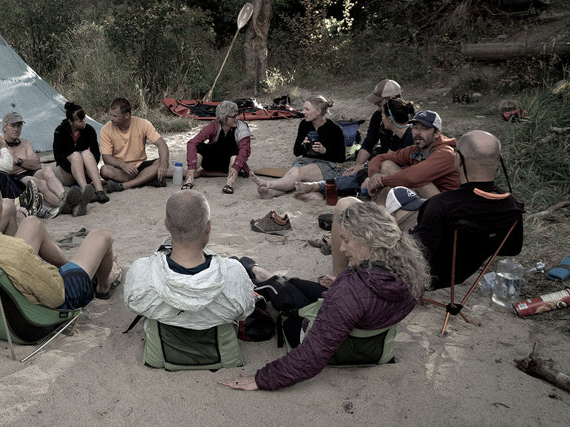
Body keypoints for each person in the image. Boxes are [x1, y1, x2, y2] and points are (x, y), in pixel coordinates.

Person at [220, 201, 429, 391]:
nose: (341, 248)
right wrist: (342, 283)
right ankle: (257, 270)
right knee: (297, 283)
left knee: (280, 294)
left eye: (346, 240)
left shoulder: (350, 293)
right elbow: (369, 302)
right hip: (371, 339)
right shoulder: (407, 272)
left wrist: (261, 379)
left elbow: (312, 355)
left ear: (368, 239)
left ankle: (254, 271)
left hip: (341, 345)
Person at [0, 175, 124, 310]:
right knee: (102, 236)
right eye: (1, 205)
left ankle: (72, 265)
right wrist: (45, 268)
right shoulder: (15, 251)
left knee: (32, 223)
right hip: (38, 313)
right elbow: (56, 296)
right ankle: (103, 285)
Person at [124, 191, 255, 330]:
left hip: (161, 350)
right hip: (218, 349)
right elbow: (245, 312)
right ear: (208, 227)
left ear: (166, 225)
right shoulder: (234, 273)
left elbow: (134, 306)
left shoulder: (142, 271)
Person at [412, 130, 524, 289]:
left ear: (458, 159)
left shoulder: (440, 205)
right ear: (499, 161)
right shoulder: (512, 206)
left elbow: (417, 255)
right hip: (460, 274)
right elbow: (511, 249)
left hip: (424, 278)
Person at [300, 95, 416, 200]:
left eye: (383, 116)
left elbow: (406, 171)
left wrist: (370, 172)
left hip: (401, 180)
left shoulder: (411, 137)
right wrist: (362, 166)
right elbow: (384, 157)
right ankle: (320, 186)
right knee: (352, 173)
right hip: (387, 172)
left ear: (390, 119)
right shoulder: (397, 136)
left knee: (359, 177)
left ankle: (319, 186)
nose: (381, 120)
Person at [254, 96, 346, 199]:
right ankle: (271, 193)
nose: (303, 112)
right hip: (305, 161)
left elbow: (341, 158)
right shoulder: (304, 124)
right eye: (303, 109)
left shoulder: (334, 129)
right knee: (294, 172)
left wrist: (325, 151)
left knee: (298, 173)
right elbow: (296, 152)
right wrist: (303, 145)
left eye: (307, 109)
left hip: (325, 165)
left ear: (318, 111)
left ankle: (269, 185)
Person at [0, 111, 87, 218]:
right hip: (15, 178)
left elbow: (36, 165)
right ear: (4, 127)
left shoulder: (25, 142)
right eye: (13, 126)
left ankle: (64, 196)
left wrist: (17, 161)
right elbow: (5, 169)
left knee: (47, 171)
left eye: (19, 126)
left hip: (31, 171)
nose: (16, 129)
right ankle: (68, 205)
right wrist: (26, 162)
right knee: (39, 183)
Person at [361, 110, 459, 203]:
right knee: (386, 165)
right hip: (428, 199)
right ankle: (382, 209)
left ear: (437, 133)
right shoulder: (414, 150)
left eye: (424, 128)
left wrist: (381, 181)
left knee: (420, 181)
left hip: (447, 206)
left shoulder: (445, 153)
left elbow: (413, 177)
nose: (418, 133)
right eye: (415, 127)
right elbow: (380, 158)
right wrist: (373, 176)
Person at [99, 97, 171, 191]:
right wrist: (123, 165)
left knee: (162, 162)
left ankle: (124, 185)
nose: (111, 119)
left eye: (115, 116)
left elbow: (162, 144)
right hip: (121, 170)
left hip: (140, 166)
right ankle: (147, 179)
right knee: (104, 170)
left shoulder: (143, 124)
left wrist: (163, 165)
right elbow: (106, 158)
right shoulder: (105, 130)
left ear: (127, 115)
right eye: (110, 115)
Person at [182, 101, 252, 194]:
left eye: (237, 114)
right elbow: (192, 143)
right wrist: (191, 166)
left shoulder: (242, 127)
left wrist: (236, 167)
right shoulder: (214, 126)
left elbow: (245, 150)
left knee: (236, 151)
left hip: (230, 164)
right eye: (234, 116)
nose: (237, 118)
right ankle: (189, 179)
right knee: (200, 147)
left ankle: (229, 183)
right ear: (223, 118)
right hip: (212, 162)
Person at [52, 101, 110, 204]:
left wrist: (85, 168)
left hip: (85, 172)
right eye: (80, 121)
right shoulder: (60, 131)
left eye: (84, 119)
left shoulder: (89, 130)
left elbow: (96, 153)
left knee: (86, 153)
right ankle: (86, 191)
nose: (84, 122)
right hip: (67, 172)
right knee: (75, 155)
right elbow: (58, 156)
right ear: (70, 121)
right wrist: (74, 169)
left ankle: (99, 190)